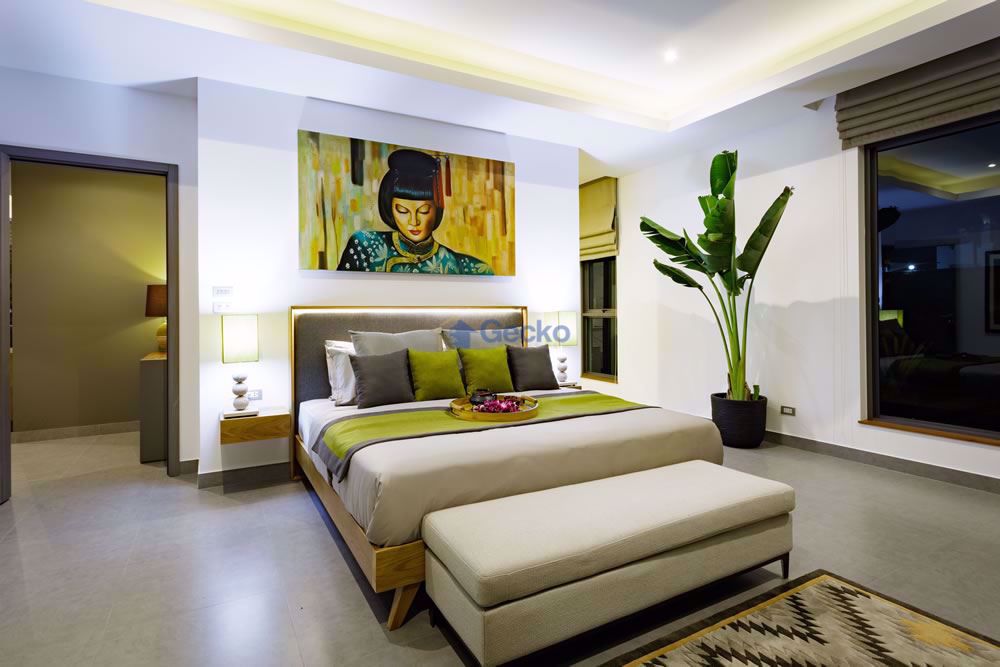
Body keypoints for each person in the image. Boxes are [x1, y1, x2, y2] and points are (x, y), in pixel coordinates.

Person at [337, 149, 494, 274]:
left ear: (437, 209)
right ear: (389, 208)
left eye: (424, 211)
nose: (414, 221)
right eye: (402, 211)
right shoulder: (365, 246)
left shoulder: (460, 265)